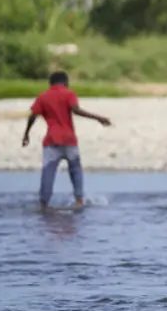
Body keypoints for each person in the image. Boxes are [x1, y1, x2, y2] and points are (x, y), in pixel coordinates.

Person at [22, 70, 111, 209]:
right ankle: (79, 200)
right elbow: (76, 110)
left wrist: (26, 134)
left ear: (50, 83)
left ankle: (44, 203)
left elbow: (33, 116)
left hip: (51, 141)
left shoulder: (43, 97)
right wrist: (99, 118)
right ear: (65, 82)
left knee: (48, 173)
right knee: (75, 170)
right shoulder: (69, 94)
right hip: (69, 140)